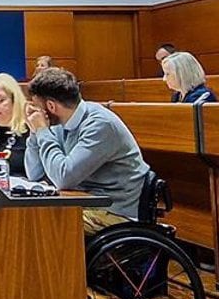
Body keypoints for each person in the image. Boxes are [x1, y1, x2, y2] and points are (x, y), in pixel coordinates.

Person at [24, 66, 152, 233]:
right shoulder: (58, 124)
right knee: (24, 218)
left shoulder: (99, 125)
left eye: (37, 107)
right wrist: (34, 134)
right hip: (85, 202)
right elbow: (35, 174)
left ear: (51, 106)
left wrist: (41, 131)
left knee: (45, 228)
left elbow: (63, 178)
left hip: (114, 211)